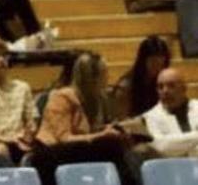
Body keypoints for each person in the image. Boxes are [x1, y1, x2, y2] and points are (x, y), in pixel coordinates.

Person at [31, 52, 137, 185]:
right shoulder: (62, 97)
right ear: (91, 77)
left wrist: (110, 130)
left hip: (77, 150)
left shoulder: (98, 99)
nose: (107, 78)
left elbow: (87, 131)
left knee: (116, 142)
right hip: (50, 153)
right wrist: (101, 135)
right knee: (110, 147)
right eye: (104, 74)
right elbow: (64, 138)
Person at [112, 35, 171, 120]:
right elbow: (122, 119)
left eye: (161, 65)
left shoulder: (164, 83)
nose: (158, 69)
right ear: (143, 61)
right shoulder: (126, 87)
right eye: (153, 63)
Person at [143, 66, 198, 156]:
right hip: (173, 168)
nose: (165, 91)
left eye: (171, 85)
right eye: (160, 87)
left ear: (184, 88)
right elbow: (162, 147)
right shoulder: (149, 117)